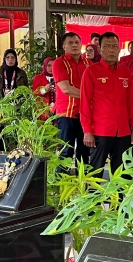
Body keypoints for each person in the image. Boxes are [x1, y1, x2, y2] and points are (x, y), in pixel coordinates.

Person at [81, 32, 133, 175]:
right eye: (107, 47)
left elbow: (131, 101)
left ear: (120, 49)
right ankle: (95, 198)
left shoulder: (125, 71)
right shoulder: (91, 71)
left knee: (121, 174)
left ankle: (119, 198)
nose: (111, 50)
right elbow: (85, 102)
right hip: (101, 131)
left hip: (123, 131)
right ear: (99, 49)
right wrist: (87, 131)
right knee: (96, 173)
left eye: (114, 46)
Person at [53, 32, 91, 164]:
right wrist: (90, 96)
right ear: (64, 46)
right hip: (66, 114)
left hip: (86, 114)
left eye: (77, 42)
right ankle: (62, 184)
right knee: (66, 152)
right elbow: (66, 89)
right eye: (70, 42)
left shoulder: (89, 63)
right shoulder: (59, 63)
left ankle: (83, 184)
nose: (74, 45)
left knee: (84, 152)